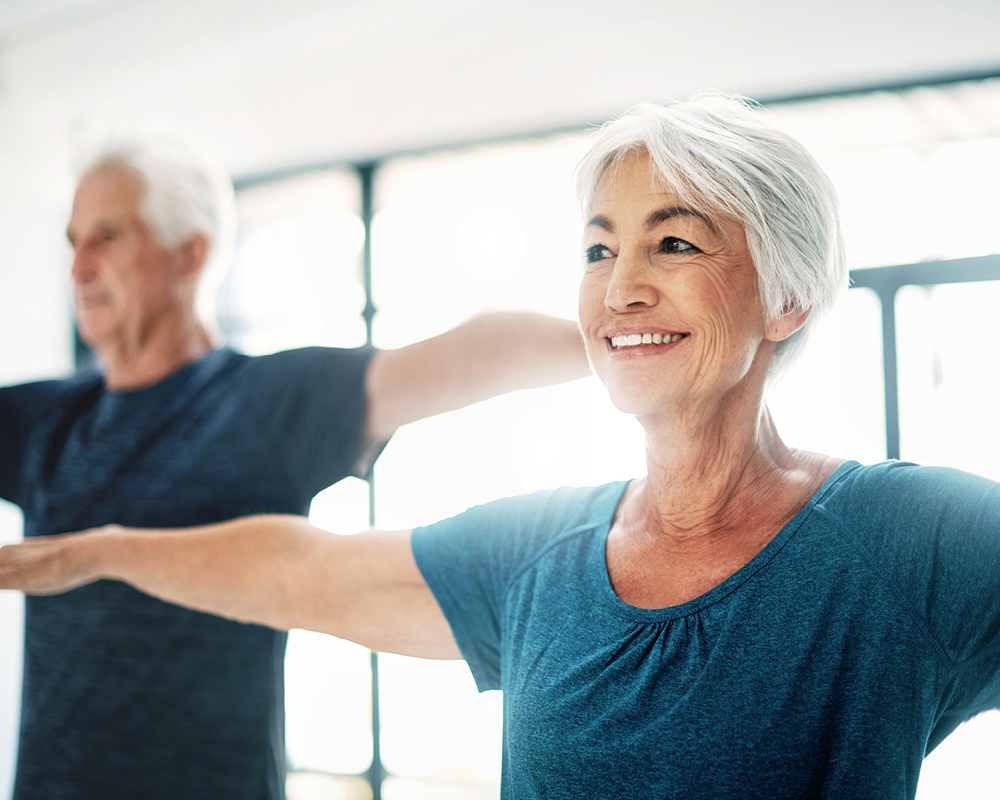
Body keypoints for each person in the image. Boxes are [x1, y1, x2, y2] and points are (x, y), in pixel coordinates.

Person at [4, 94, 1000, 800]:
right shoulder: (543, 548)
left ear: (788, 297)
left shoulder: (906, 540)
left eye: (676, 243)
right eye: (599, 249)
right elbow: (300, 567)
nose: (620, 285)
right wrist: (90, 550)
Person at [0, 134, 590, 800]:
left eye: (107, 237)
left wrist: (620, 341)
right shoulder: (47, 421)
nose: (78, 267)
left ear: (189, 253)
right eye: (73, 240)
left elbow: (472, 353)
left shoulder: (266, 401)